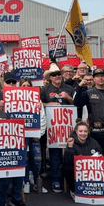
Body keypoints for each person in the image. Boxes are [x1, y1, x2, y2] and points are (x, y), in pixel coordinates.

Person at [40, 63, 74, 193]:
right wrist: (49, 103)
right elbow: (39, 104)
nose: (56, 76)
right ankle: (56, 179)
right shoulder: (45, 90)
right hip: (53, 127)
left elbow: (77, 103)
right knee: (54, 154)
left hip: (68, 125)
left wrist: (68, 98)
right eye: (53, 75)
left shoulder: (69, 88)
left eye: (58, 74)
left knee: (68, 153)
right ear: (50, 77)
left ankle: (68, 180)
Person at [73, 68, 104, 156]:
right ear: (94, 79)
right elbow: (77, 103)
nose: (100, 78)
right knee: (101, 157)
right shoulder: (88, 93)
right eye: (97, 76)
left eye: (102, 76)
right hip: (98, 132)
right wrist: (79, 87)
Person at [62, 121, 103, 199]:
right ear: (76, 132)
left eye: (85, 131)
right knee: (67, 168)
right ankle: (73, 190)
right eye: (80, 131)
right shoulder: (71, 142)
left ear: (88, 132)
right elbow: (67, 161)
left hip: (91, 171)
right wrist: (70, 147)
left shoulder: (93, 142)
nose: (83, 134)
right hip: (77, 171)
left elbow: (101, 154)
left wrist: (100, 157)